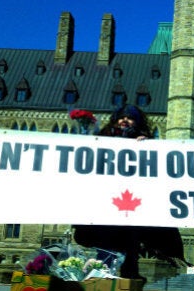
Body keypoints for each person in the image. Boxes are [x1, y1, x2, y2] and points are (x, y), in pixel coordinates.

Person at [73, 105, 184, 283]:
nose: (125, 120)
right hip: (106, 204)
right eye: (121, 117)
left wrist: (145, 145)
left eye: (130, 118)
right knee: (106, 243)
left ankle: (128, 276)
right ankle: (104, 277)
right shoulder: (103, 137)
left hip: (131, 205)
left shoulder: (142, 140)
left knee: (131, 242)